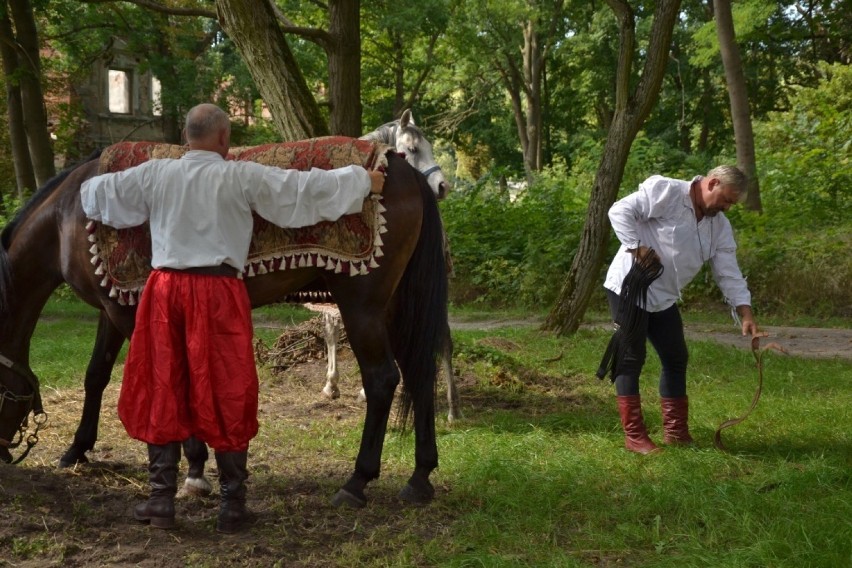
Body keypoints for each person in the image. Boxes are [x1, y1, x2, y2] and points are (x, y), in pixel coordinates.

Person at [80, 103, 385, 532]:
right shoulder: (240, 173)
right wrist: (362, 181)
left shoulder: (155, 172)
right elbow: (301, 192)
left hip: (164, 293)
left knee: (163, 385)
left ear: (187, 136)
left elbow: (96, 194)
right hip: (218, 293)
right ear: (224, 139)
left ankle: (162, 502)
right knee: (226, 388)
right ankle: (232, 505)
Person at [602, 165, 760, 454]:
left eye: (732, 204)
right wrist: (636, 248)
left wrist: (745, 310)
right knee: (631, 357)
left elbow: (728, 271)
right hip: (630, 289)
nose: (727, 208)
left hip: (664, 298)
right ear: (712, 183)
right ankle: (635, 436)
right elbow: (619, 211)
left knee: (675, 357)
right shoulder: (668, 192)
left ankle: (676, 432)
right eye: (726, 200)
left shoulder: (719, 225)